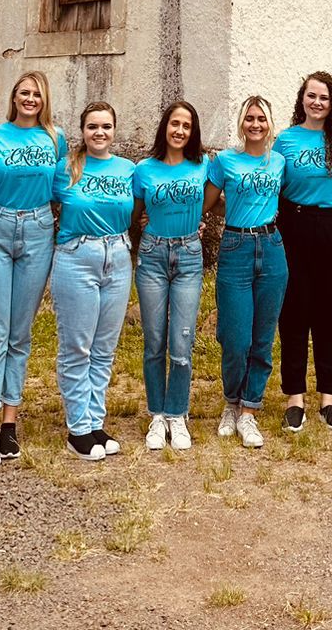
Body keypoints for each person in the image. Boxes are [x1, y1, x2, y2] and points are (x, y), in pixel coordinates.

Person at [0, 72, 64, 469]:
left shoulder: (55, 139)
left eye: (37, 94)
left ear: (45, 100)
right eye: (24, 93)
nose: (30, 99)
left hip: (40, 229)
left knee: (20, 332)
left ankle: (11, 421)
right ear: (14, 97)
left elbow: (64, 187)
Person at [50, 102, 135, 461]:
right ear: (81, 131)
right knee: (77, 347)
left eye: (106, 127)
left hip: (117, 257)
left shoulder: (129, 170)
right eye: (92, 127)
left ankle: (95, 422)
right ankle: (78, 429)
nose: (99, 133)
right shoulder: (66, 169)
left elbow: (144, 210)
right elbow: (41, 205)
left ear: (114, 130)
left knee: (103, 349)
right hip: (76, 259)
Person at [203, 95, 288, 449]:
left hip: (271, 248)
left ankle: (250, 411)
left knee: (262, 338)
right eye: (249, 118)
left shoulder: (280, 162)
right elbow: (208, 205)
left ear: (270, 124)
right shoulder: (224, 161)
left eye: (262, 119)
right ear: (242, 123)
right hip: (236, 248)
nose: (255, 124)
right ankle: (231, 403)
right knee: (235, 338)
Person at [273, 72, 332, 432]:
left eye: (324, 97)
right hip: (294, 225)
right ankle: (294, 397)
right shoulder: (286, 140)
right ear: (301, 99)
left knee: (328, 313)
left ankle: (328, 398)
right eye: (311, 96)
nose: (317, 103)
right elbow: (270, 184)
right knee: (293, 313)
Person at [132, 101, 208, 451]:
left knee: (181, 343)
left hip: (190, 256)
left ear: (192, 133)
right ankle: (157, 414)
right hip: (152, 255)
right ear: (165, 127)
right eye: (175, 123)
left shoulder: (203, 165)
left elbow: (218, 200)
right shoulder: (143, 170)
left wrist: (199, 223)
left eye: (187, 126)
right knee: (154, 341)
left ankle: (177, 414)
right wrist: (142, 227)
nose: (180, 130)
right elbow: (134, 214)